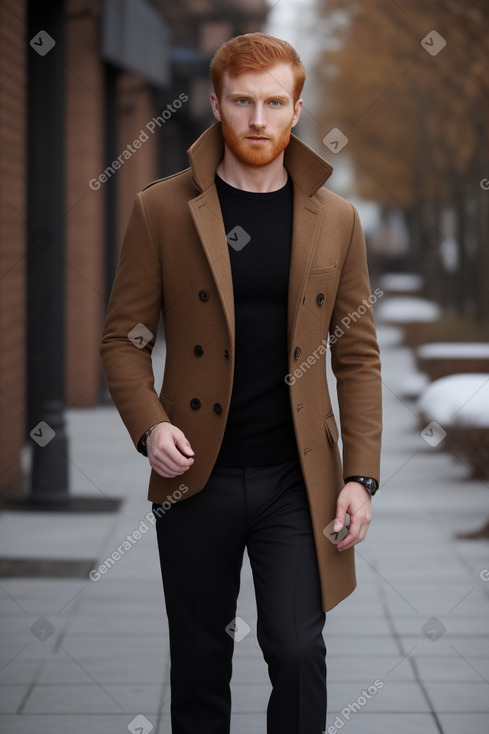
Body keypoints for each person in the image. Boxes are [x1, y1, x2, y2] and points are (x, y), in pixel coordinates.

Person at [100, 32, 382, 734]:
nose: (258, 119)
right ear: (216, 103)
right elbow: (123, 339)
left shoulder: (337, 220)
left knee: (295, 649)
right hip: (196, 474)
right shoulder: (161, 210)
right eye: (242, 102)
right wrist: (151, 425)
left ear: (295, 109)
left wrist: (361, 477)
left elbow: (357, 356)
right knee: (199, 663)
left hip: (297, 478)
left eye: (274, 103)